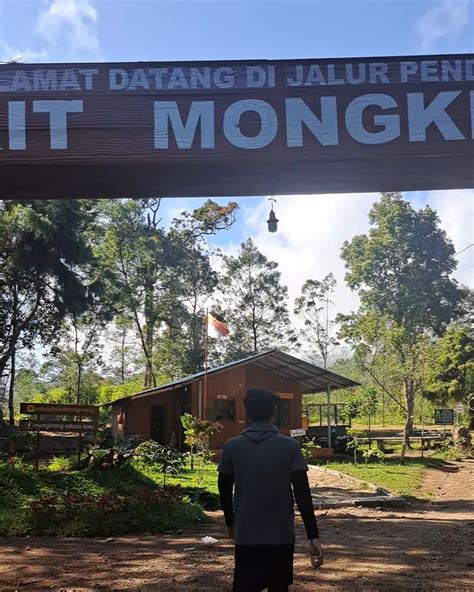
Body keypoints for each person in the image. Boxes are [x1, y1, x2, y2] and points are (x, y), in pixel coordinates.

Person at [218, 388, 323, 592]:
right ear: (274, 412)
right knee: (278, 587)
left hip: (247, 534)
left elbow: (223, 488)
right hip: (281, 535)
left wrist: (231, 523)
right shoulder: (290, 447)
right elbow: (302, 493)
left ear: (247, 411)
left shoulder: (232, 447)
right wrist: (313, 536)